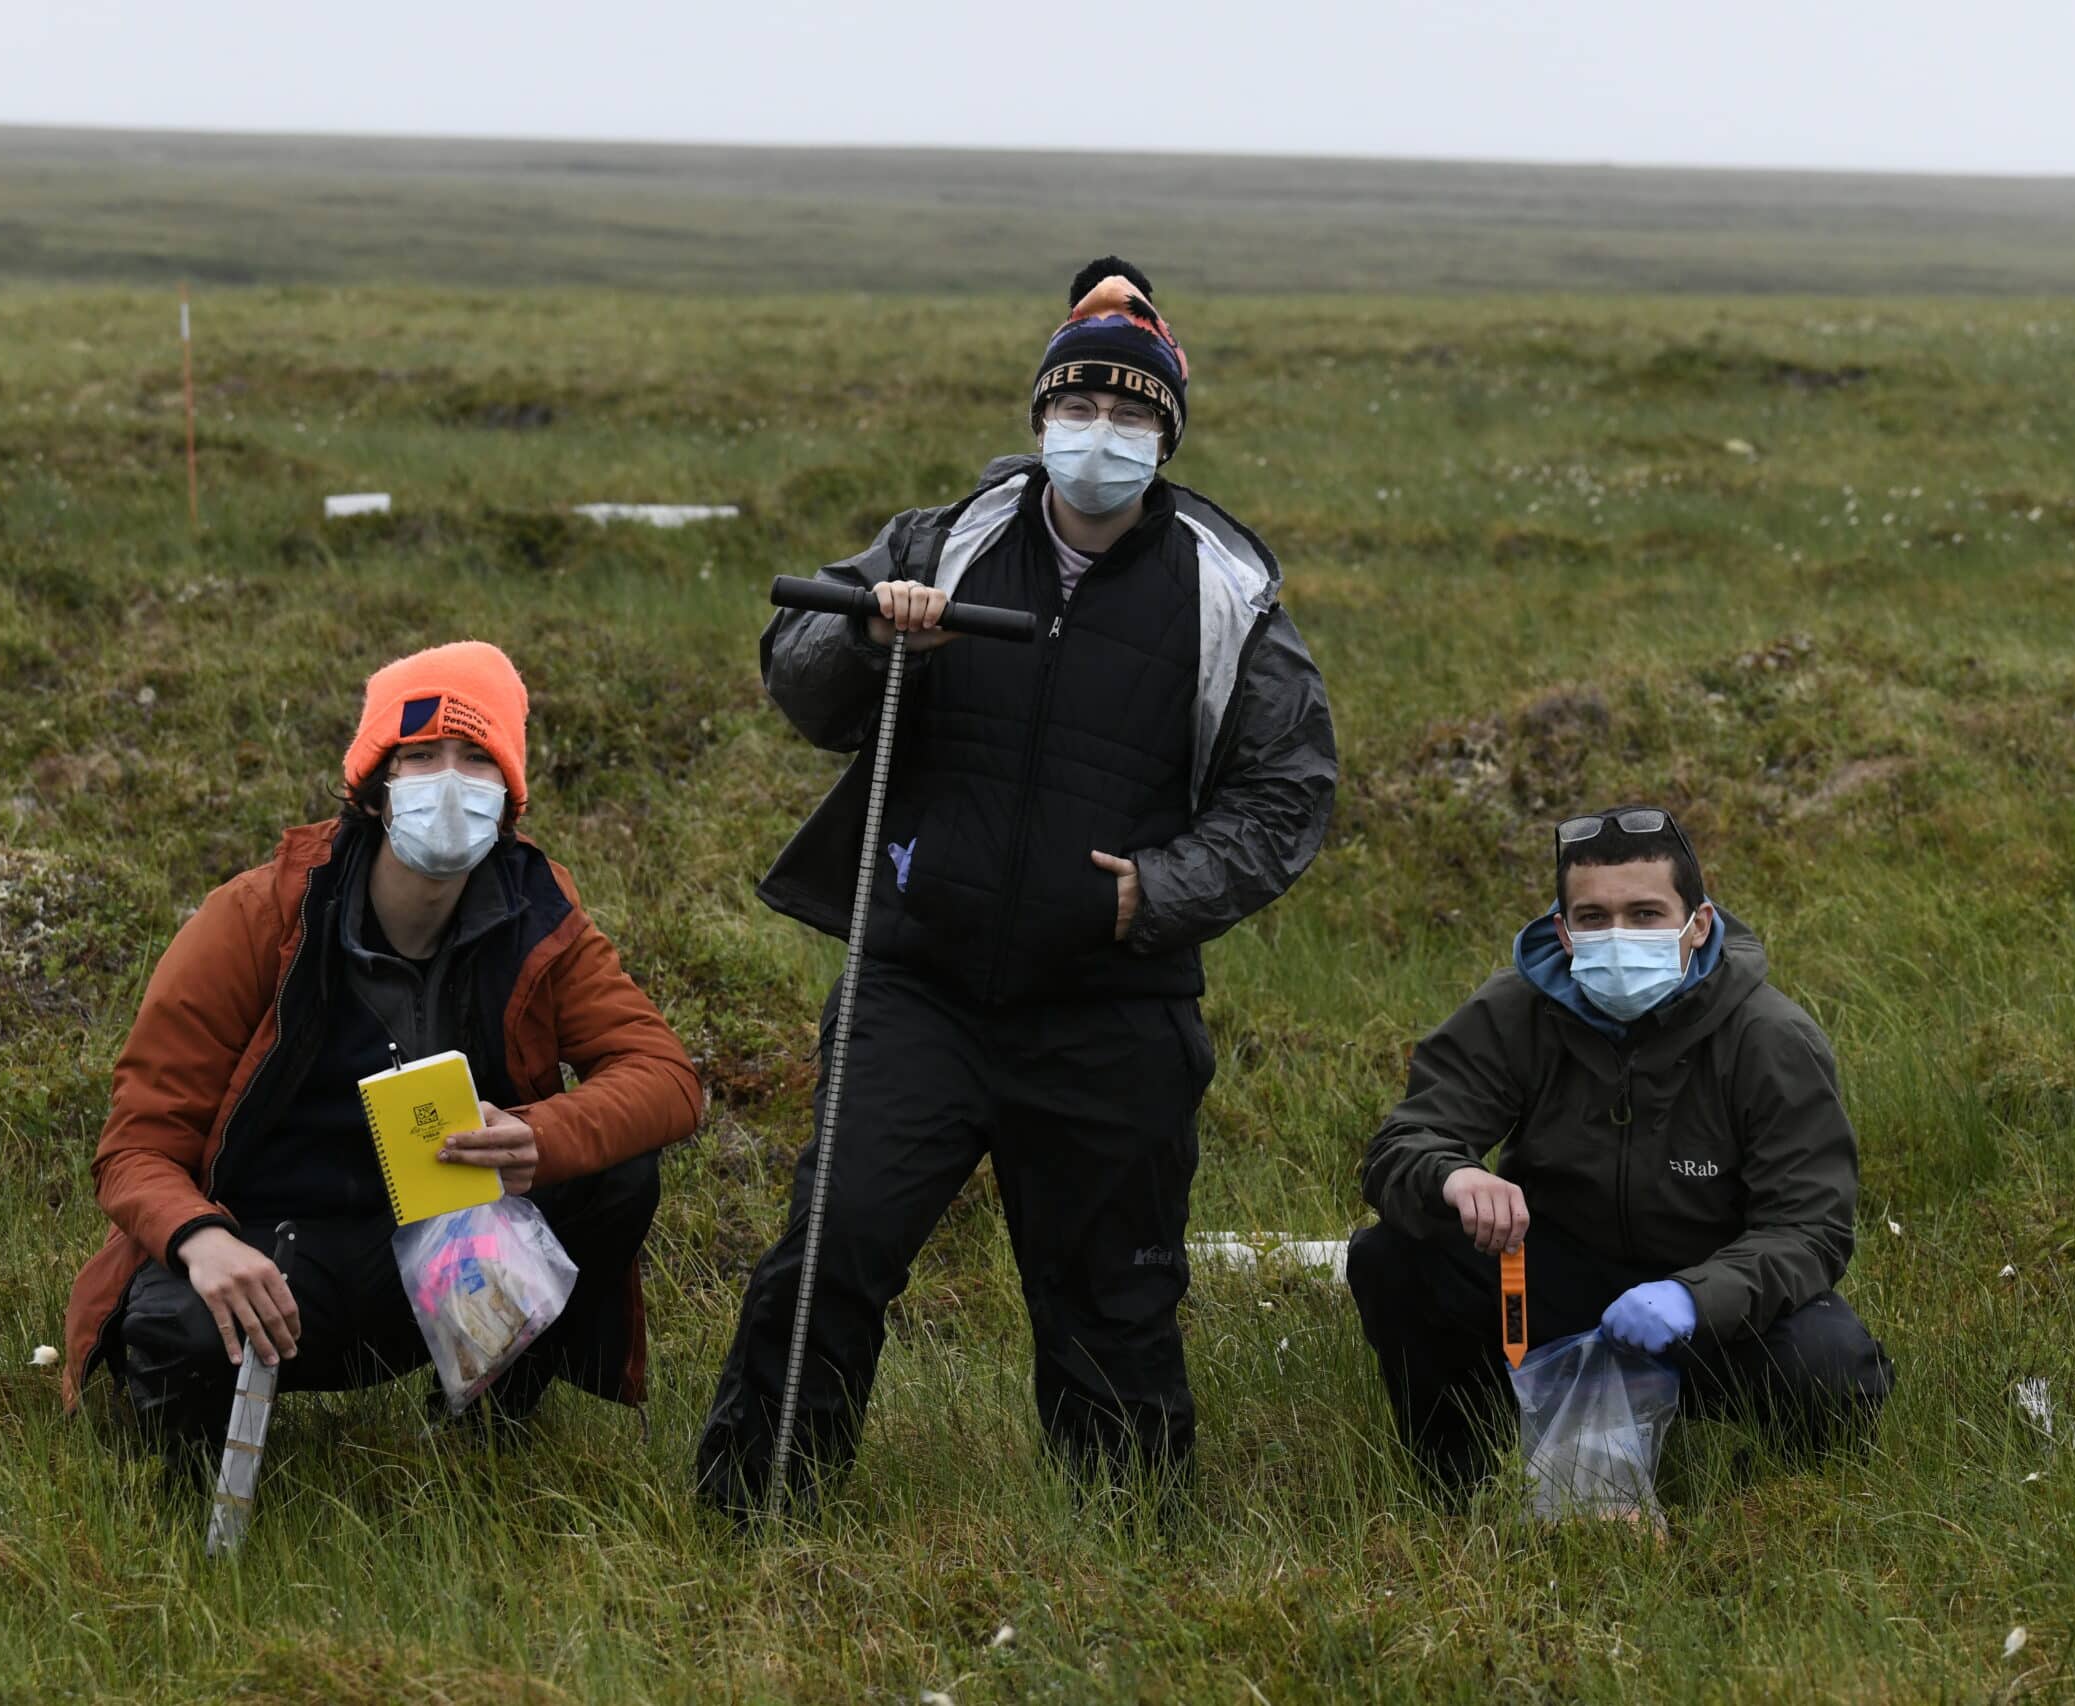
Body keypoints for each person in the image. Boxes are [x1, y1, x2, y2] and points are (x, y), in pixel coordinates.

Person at [697, 257, 1338, 1513]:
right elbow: (797, 677)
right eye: (1078, 407)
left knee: (1114, 1302)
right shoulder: (947, 536)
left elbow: (1288, 797)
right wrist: (869, 632)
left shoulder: (1227, 591)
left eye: (1131, 415)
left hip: (1112, 1008)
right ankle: (751, 1520)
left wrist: (1152, 893)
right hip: (917, 987)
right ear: (1040, 416)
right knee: (826, 1254)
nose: (1100, 435)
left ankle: (1123, 1554)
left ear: (1167, 432)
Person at [59, 641, 702, 1452]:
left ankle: (489, 1421)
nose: (448, 782)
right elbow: (135, 1149)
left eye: (476, 759)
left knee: (614, 1172)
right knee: (178, 1324)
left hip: (448, 1247)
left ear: (509, 795)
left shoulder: (539, 915)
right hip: (274, 1253)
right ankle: (177, 1474)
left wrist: (541, 1139)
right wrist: (203, 1239)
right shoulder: (255, 919)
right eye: (421, 756)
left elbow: (668, 1078)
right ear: (372, 788)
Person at [1347, 805, 1893, 1493]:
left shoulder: (1771, 1038)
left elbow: (1811, 1231)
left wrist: (1694, 1297)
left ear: (1697, 924)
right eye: (1594, 918)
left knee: (1833, 1362)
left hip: (1707, 1306)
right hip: (1550, 1288)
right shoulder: (1513, 1012)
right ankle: (1462, 1484)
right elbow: (1403, 1142)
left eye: (1644, 914)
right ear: (1564, 933)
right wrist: (1452, 1176)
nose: (1618, 936)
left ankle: (1770, 1503)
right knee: (1391, 1255)